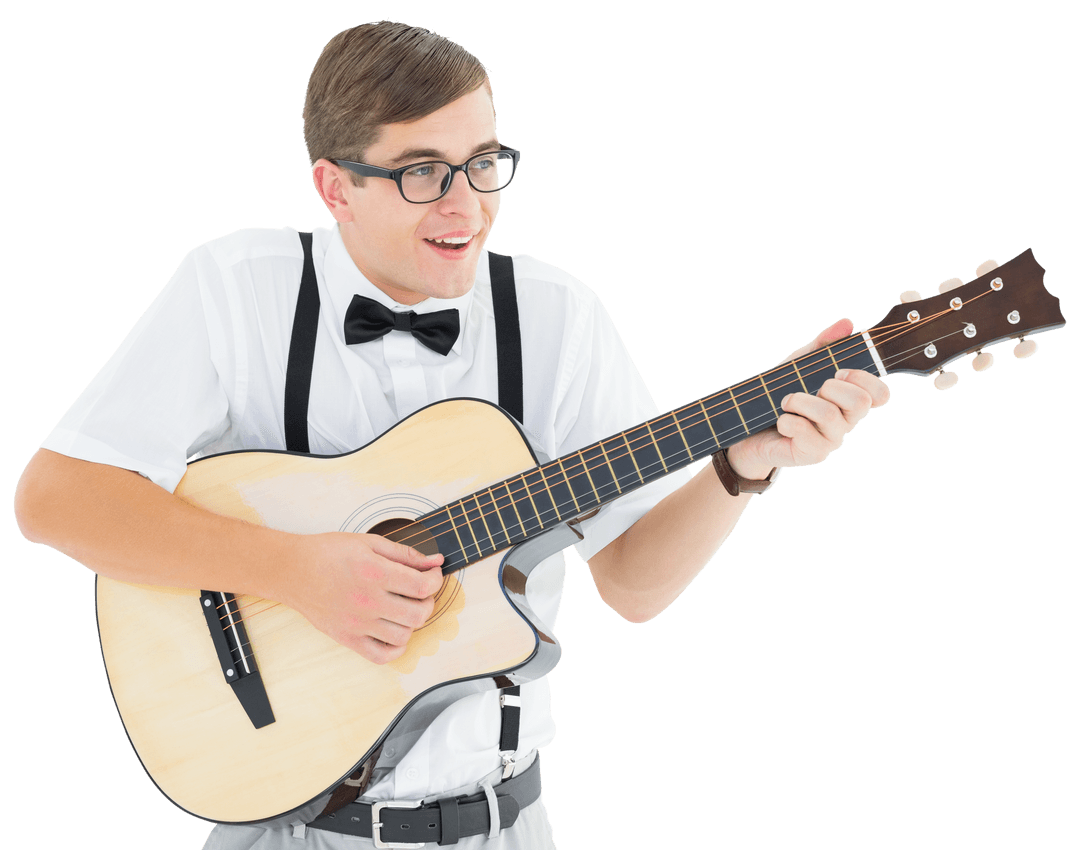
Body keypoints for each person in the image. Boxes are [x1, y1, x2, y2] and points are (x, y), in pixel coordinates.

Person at [13, 20, 889, 850]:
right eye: (423, 172)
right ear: (335, 186)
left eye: (483, 164)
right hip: (285, 828)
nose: (466, 204)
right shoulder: (236, 288)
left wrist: (739, 468)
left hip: (506, 825)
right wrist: (295, 572)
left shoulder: (557, 316)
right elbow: (54, 500)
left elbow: (632, 584)